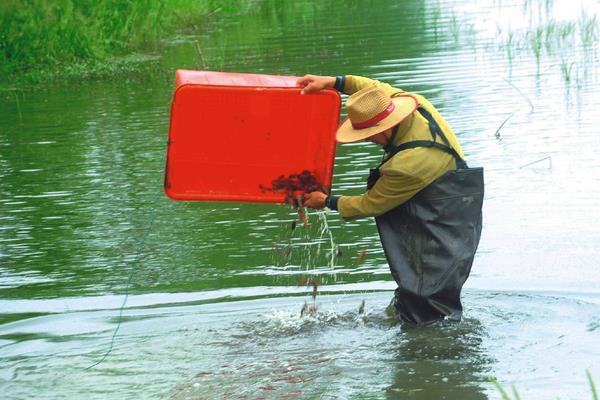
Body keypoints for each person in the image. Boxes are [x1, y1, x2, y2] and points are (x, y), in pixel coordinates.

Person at [298, 74, 484, 325]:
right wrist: (334, 82)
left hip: (445, 218)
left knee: (429, 299)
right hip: (437, 202)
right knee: (416, 292)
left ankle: (434, 347)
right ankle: (412, 326)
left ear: (385, 128)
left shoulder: (408, 164)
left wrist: (328, 201)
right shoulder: (414, 103)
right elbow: (374, 89)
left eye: (368, 134)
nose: (366, 139)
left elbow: (372, 203)